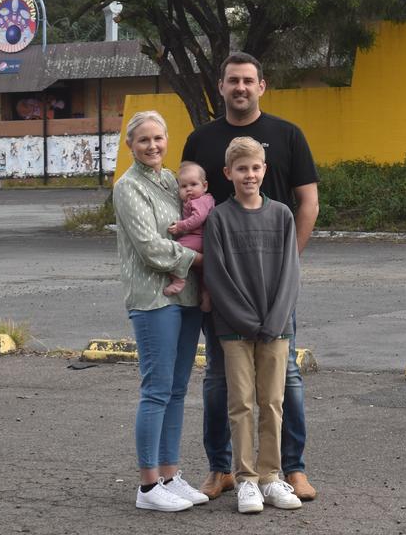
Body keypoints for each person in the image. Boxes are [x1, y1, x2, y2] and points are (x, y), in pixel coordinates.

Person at [182, 52, 320, 502]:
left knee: (286, 382)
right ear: (220, 87)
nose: (240, 88)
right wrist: (204, 279)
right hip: (221, 286)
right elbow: (186, 207)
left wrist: (287, 267)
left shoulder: (288, 135)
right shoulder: (200, 140)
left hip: (275, 287)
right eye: (232, 81)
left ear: (262, 85)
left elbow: (308, 204)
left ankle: (289, 469)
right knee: (221, 381)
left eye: (248, 80)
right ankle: (223, 469)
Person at [112, 110, 210, 512]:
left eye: (158, 138)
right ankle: (149, 487)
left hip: (185, 298)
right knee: (156, 390)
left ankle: (170, 474)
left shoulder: (172, 180)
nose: (152, 146)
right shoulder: (128, 186)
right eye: (143, 140)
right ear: (130, 145)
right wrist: (202, 260)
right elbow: (151, 247)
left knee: (177, 389)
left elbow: (196, 216)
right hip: (152, 298)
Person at [203, 136, 304, 513]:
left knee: (273, 402)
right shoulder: (219, 219)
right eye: (241, 168)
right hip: (234, 330)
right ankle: (245, 479)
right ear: (228, 173)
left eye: (255, 167)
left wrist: (275, 320)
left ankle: (270, 477)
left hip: (276, 328)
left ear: (265, 170)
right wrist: (247, 322)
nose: (249, 174)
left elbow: (290, 274)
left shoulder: (281, 215)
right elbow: (217, 275)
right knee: (241, 403)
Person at [164, 161, 215, 305]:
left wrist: (180, 226)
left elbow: (197, 219)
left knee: (175, 250)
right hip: (202, 239)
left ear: (204, 186)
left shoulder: (200, 201)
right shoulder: (201, 199)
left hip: (198, 238)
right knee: (202, 273)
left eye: (193, 184)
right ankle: (206, 295)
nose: (189, 189)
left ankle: (178, 279)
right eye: (184, 186)